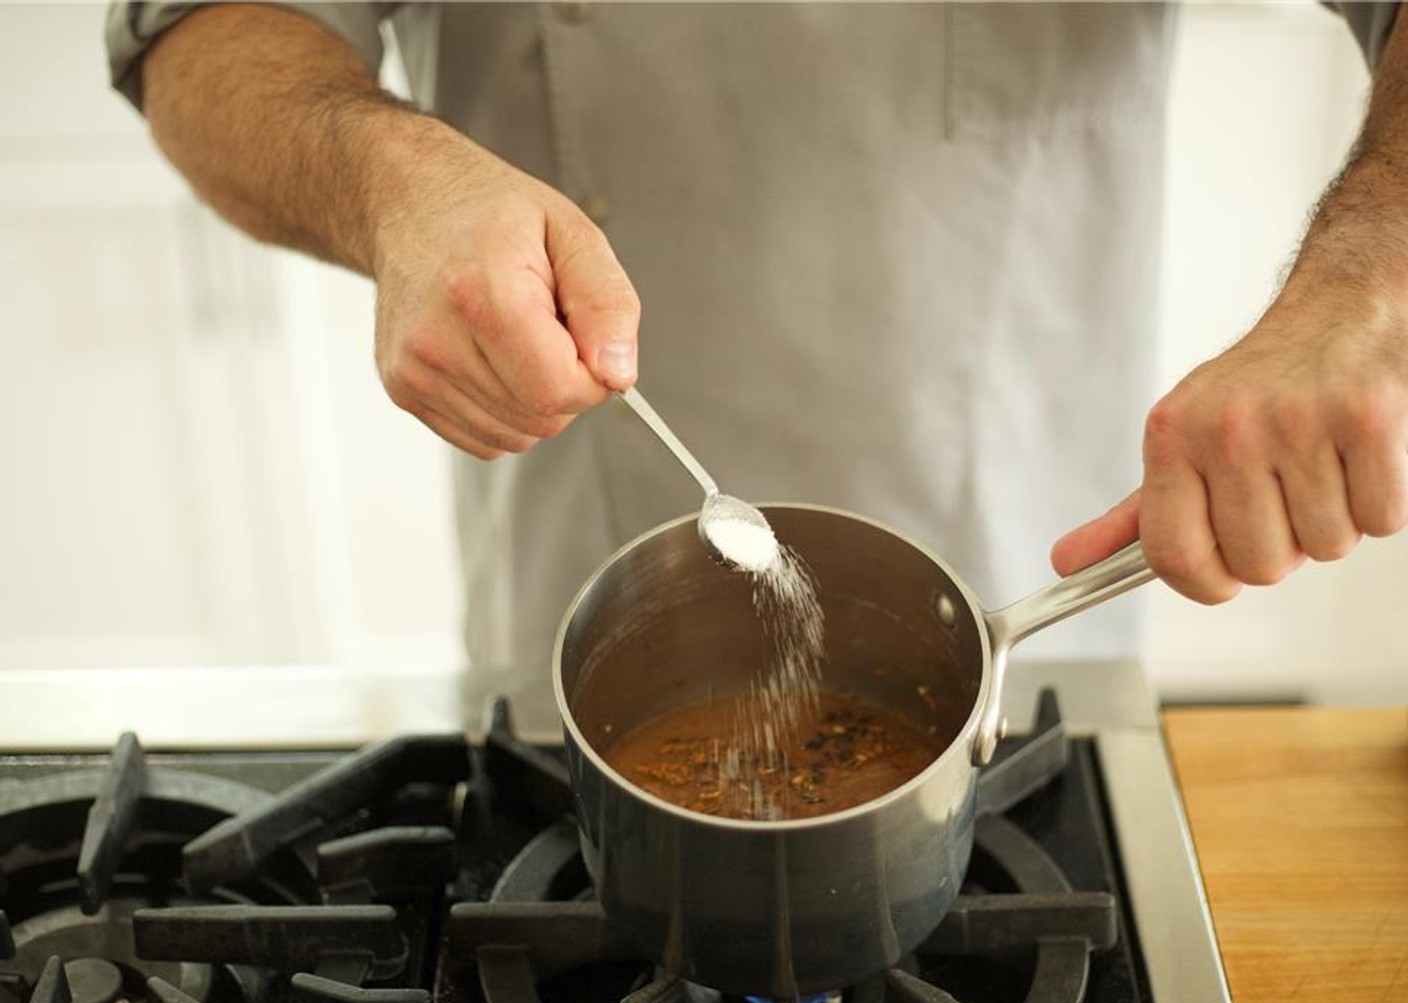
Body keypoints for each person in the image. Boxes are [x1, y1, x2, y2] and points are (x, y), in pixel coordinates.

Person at [107, 3, 1408, 724]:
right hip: (578, 588)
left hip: (1032, 576)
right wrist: (390, 184)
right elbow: (200, 36)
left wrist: (1366, 279)